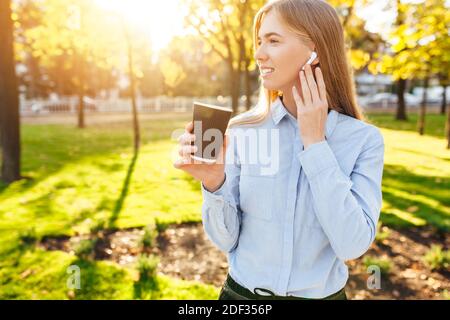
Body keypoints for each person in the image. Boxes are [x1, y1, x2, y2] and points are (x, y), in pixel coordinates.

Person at [174, 0, 384, 300]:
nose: (259, 54)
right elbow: (226, 240)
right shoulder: (242, 130)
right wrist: (213, 182)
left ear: (316, 52)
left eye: (273, 41)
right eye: (259, 42)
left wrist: (315, 144)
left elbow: (352, 245)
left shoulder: (363, 140)